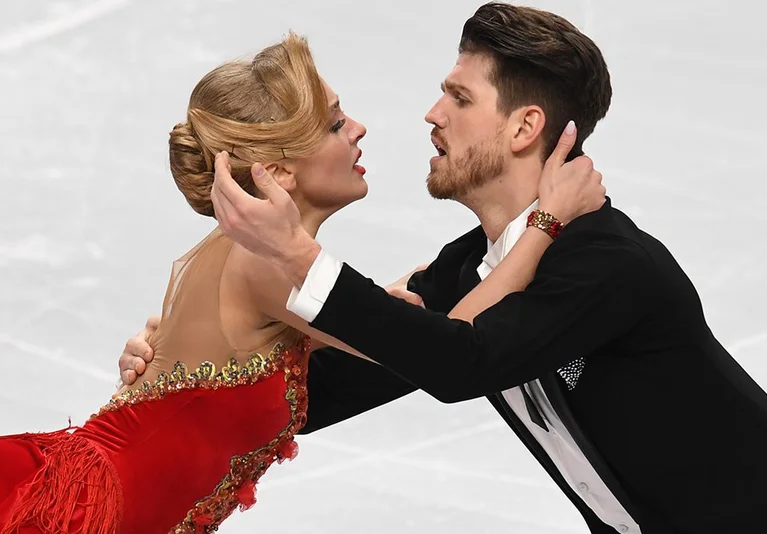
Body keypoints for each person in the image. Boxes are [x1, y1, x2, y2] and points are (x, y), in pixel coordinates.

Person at [187, 3, 767, 534]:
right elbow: (330, 391)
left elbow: (463, 361)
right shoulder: (466, 270)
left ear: (525, 127)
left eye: (460, 98)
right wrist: (189, 357)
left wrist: (298, 255)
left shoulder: (609, 264)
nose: (433, 114)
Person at [0, 30, 605, 534]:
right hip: (83, 514)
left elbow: (395, 320)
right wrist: (545, 222)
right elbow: (448, 343)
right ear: (279, 171)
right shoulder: (264, 263)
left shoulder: (261, 266)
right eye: (336, 123)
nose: (359, 128)